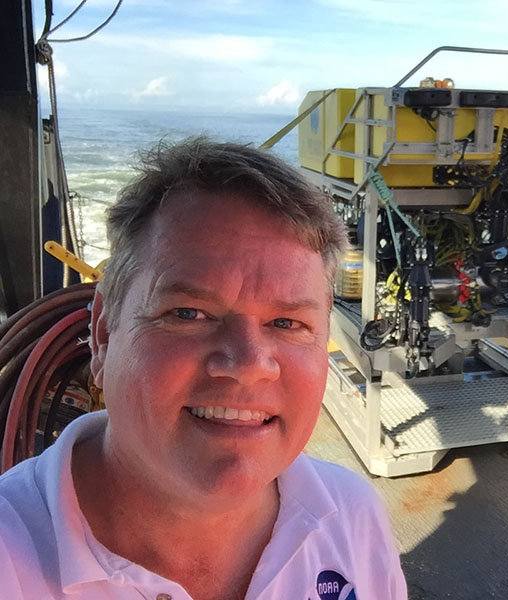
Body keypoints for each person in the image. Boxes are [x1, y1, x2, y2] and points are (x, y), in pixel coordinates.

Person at [0, 138, 408, 600]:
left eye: (287, 322)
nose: (248, 364)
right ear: (104, 334)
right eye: (189, 313)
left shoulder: (353, 517)